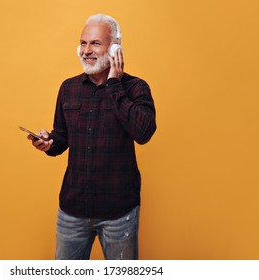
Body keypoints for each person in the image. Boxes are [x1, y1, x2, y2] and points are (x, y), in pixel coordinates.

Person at [28, 13, 156, 260]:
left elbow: (144, 133)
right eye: (83, 43)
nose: (86, 51)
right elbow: (62, 137)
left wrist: (114, 85)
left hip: (119, 213)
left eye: (95, 43)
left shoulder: (136, 88)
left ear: (115, 48)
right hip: (72, 212)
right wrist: (49, 143)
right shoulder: (68, 88)